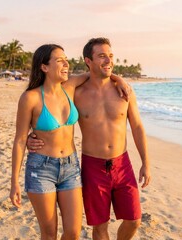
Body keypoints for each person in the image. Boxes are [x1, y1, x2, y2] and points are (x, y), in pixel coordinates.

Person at [28, 37, 151, 240]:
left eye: (110, 56)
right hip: (92, 166)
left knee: (134, 220)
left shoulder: (124, 91)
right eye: (101, 56)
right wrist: (29, 138)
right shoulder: (75, 92)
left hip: (122, 163)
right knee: (100, 226)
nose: (108, 60)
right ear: (88, 60)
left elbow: (137, 126)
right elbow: (47, 106)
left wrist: (146, 162)